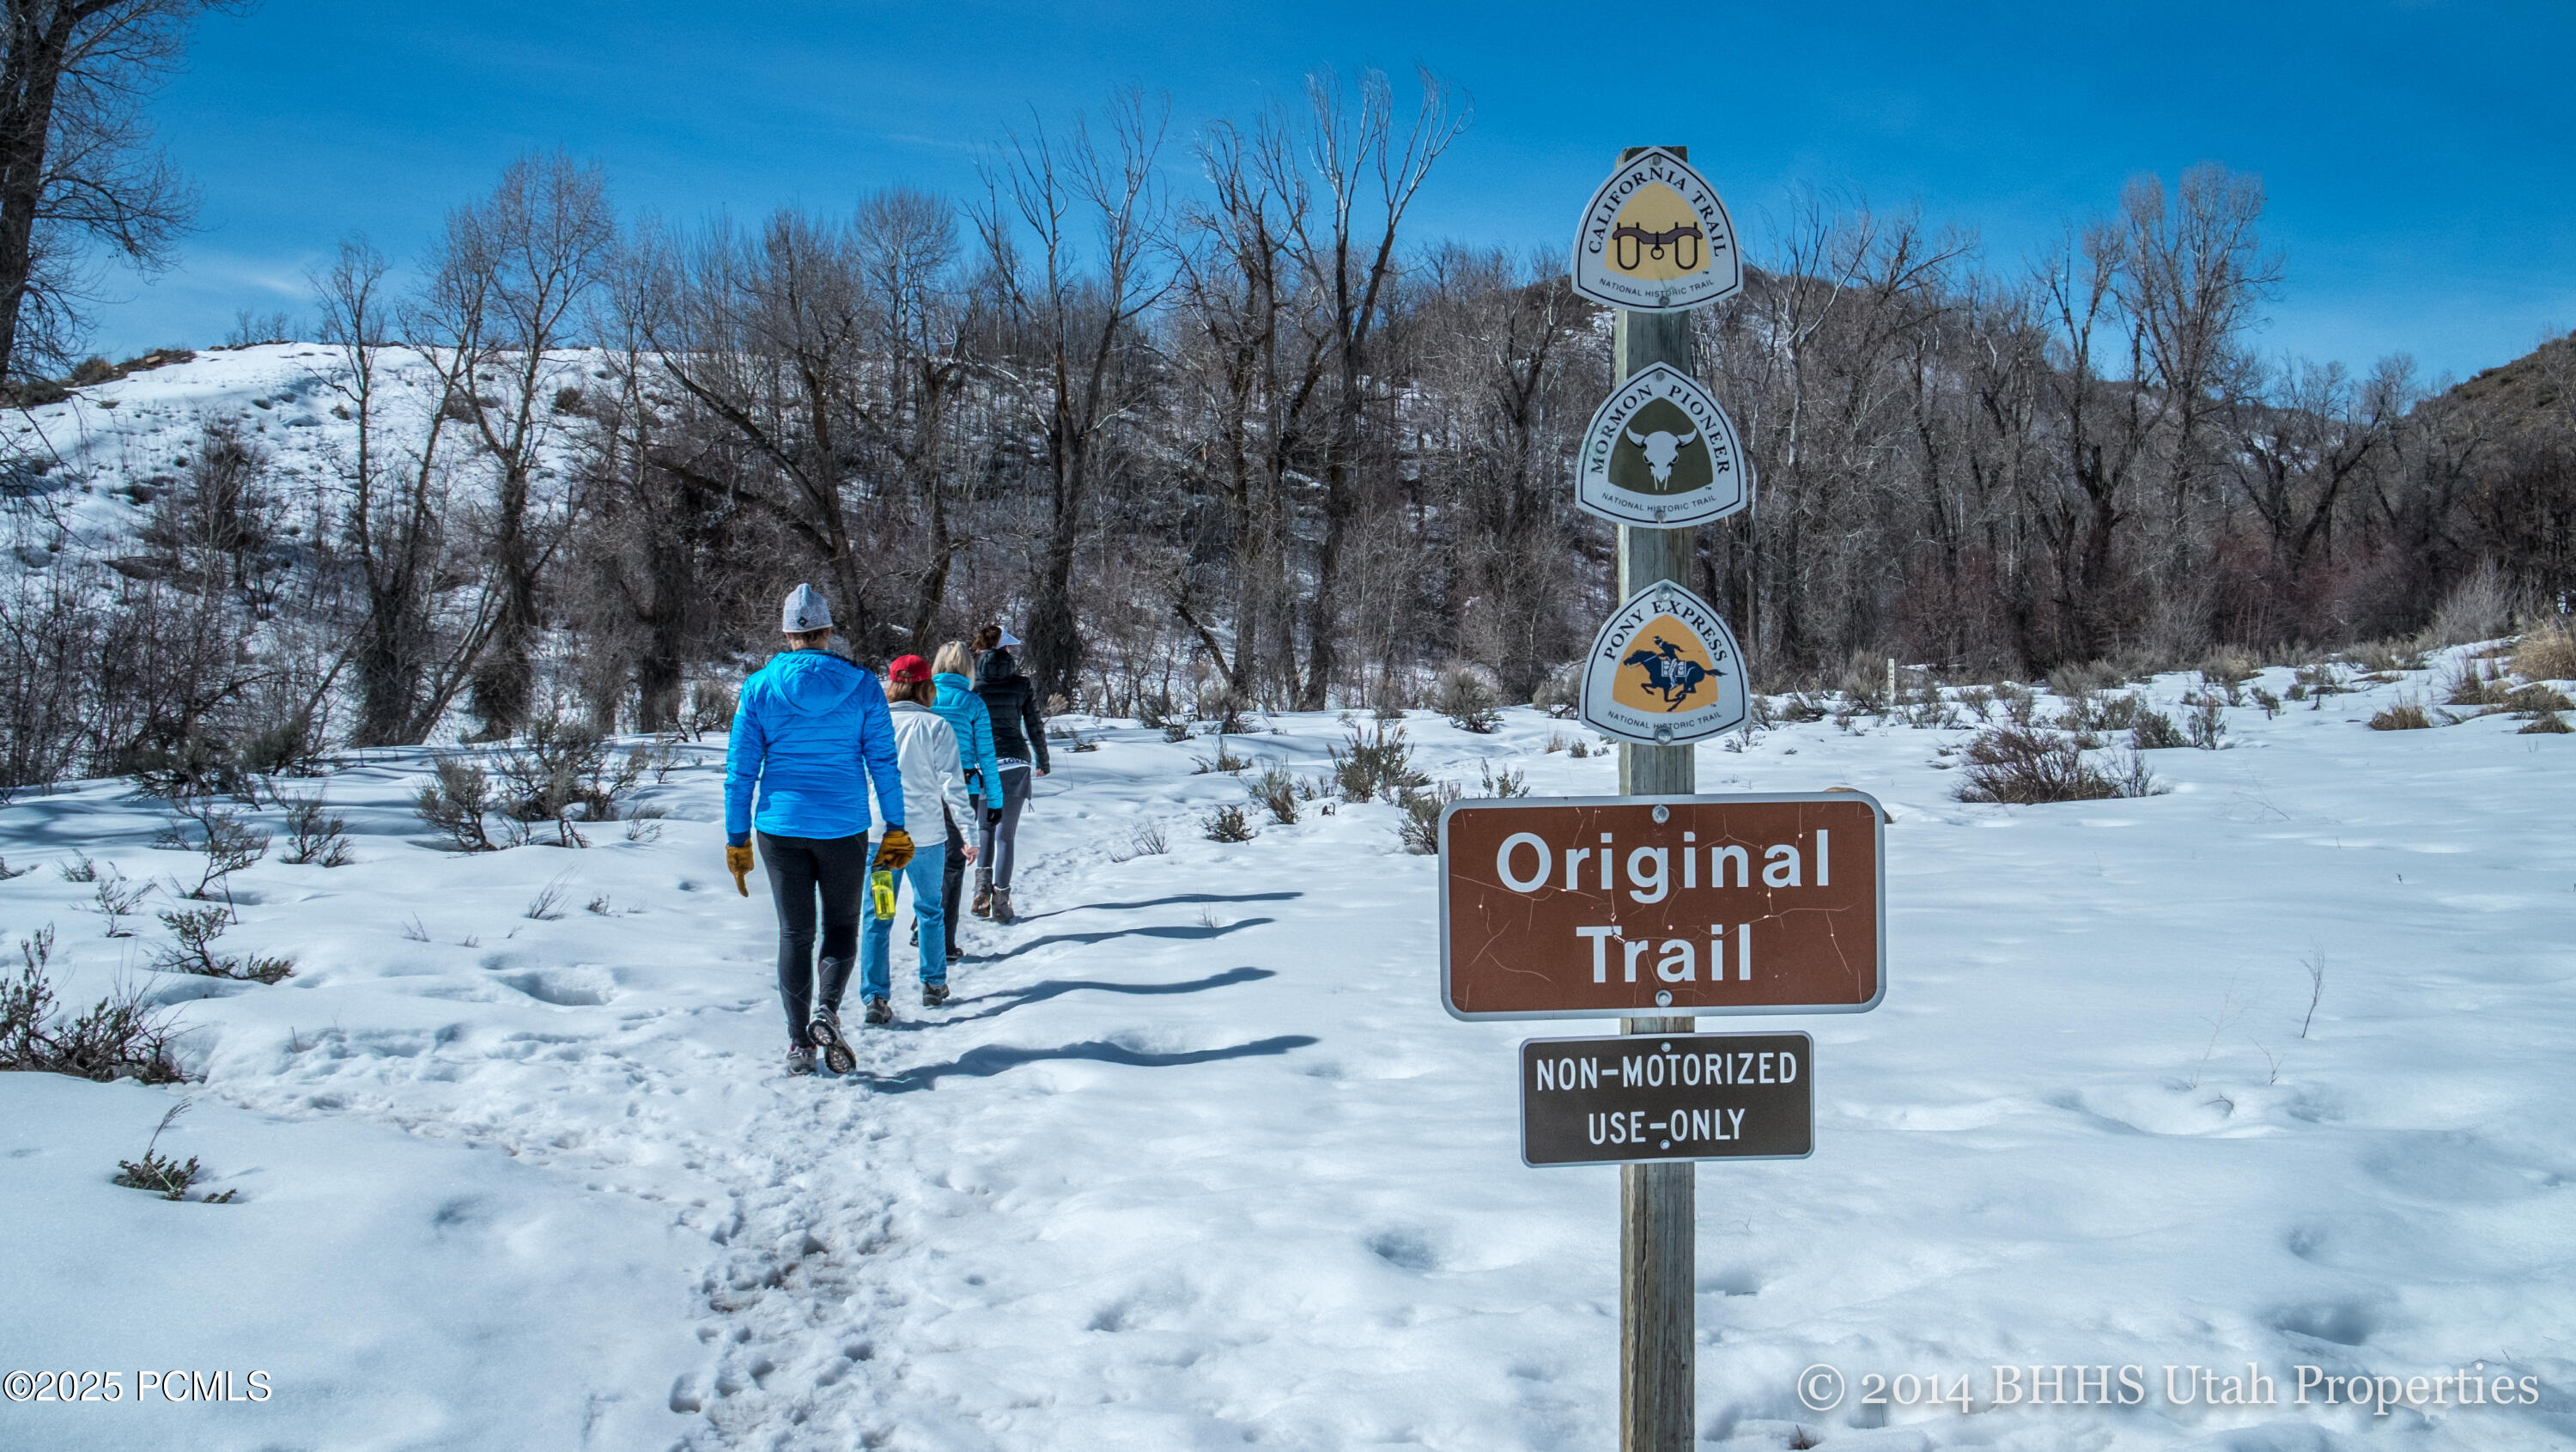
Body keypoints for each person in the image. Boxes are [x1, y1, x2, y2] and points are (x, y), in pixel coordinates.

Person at [725, 585, 913, 1078]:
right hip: (843, 825)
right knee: (842, 926)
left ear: (788, 633)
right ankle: (826, 1009)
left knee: (794, 932)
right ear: (828, 631)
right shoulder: (863, 685)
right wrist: (895, 825)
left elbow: (740, 771)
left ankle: (797, 1045)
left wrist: (736, 837)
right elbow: (883, 764)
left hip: (779, 828)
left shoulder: (760, 686)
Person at [862, 654, 975, 1024]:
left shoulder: (872, 723)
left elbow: (859, 781)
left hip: (882, 838)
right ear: (928, 686)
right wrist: (968, 833)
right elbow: (953, 785)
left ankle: (876, 997)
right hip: (926, 838)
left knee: (879, 915)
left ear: (892, 684)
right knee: (929, 910)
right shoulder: (938, 726)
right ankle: (933, 983)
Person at [969, 623, 1048, 925]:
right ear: (1006, 650)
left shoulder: (971, 683)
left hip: (980, 765)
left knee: (985, 830)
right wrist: (1043, 758)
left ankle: (980, 892)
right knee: (1006, 836)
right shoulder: (1022, 684)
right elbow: (1034, 725)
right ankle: (1002, 902)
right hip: (1014, 763)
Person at [929, 641, 998, 967]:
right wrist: (994, 800)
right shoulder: (974, 703)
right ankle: (944, 942)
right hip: (963, 788)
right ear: (969, 669)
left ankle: (923, 922)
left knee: (926, 857)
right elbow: (987, 756)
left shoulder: (924, 697)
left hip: (924, 787)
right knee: (954, 863)